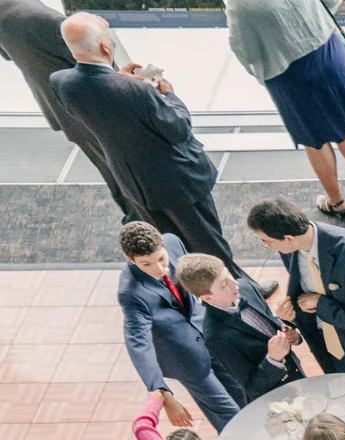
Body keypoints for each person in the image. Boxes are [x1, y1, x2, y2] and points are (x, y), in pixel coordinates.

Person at [52, 16, 235, 268]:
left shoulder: (61, 82)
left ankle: (190, 292)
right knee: (209, 244)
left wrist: (118, 79)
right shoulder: (140, 91)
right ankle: (241, 294)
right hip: (177, 179)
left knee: (171, 245)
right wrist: (169, 95)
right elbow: (178, 128)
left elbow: (102, 100)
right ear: (106, 47)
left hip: (134, 182)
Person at [227, 0, 345, 220]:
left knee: (313, 139)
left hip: (287, 71)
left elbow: (243, 48)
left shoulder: (238, 4)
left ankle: (337, 202)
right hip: (328, 51)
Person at [245, 198, 345, 378]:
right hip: (330, 349)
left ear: (289, 239)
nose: (266, 245)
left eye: (266, 241)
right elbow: (303, 295)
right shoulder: (290, 249)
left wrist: (320, 304)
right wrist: (291, 318)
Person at [1, 0, 118, 218]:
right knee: (126, 173)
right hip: (95, 110)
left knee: (111, 172)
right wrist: (101, 32)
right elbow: (96, 58)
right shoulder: (50, 20)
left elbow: (8, 54)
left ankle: (138, 220)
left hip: (62, 109)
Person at [115, 223, 234, 431]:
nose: (160, 269)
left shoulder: (172, 241)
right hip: (185, 358)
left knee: (239, 389)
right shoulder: (130, 293)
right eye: (146, 264)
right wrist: (162, 391)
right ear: (129, 258)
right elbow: (138, 342)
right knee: (227, 412)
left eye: (161, 259)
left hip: (209, 334)